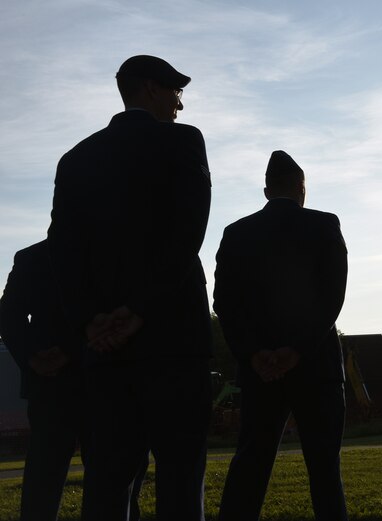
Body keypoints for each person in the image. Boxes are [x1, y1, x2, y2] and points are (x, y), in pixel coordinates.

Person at [46, 55, 213, 520]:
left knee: (107, 481)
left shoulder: (76, 159)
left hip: (105, 349)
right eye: (176, 91)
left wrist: (89, 320)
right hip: (174, 341)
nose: (180, 104)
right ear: (151, 89)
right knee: (181, 478)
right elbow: (187, 233)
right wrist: (140, 309)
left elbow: (63, 248)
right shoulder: (183, 141)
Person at [214, 150, 349, 521]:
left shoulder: (236, 234)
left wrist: (252, 353)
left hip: (260, 373)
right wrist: (298, 350)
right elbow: (332, 296)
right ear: (302, 189)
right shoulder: (324, 225)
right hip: (317, 369)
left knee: (250, 466)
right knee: (325, 472)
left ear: (266, 191)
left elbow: (224, 302)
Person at [0, 240, 91, 521]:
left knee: (43, 477)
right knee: (112, 481)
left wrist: (33, 357)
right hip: (102, 376)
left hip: (49, 381)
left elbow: (8, 316)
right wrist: (73, 350)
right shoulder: (111, 252)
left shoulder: (32, 257)